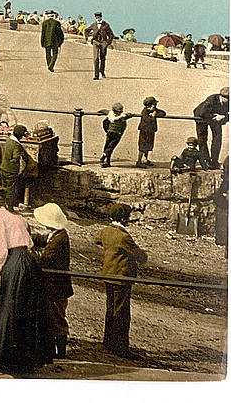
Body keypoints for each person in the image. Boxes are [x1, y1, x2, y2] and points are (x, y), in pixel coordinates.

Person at [0, 181, 54, 373]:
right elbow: (29, 244)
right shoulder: (18, 218)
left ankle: (3, 359)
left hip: (12, 264)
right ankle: (26, 360)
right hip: (28, 263)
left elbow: (0, 252)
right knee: (27, 309)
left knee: (7, 309)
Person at [95, 203, 148, 358]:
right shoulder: (123, 236)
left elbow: (97, 240)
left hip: (108, 275)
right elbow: (141, 257)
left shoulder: (106, 231)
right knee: (122, 313)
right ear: (124, 218)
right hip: (121, 278)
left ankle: (108, 343)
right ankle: (120, 348)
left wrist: (111, 252)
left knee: (110, 309)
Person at [32, 203, 73, 359]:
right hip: (57, 286)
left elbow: (46, 260)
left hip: (56, 287)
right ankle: (54, 348)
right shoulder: (58, 234)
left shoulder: (58, 241)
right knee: (54, 317)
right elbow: (44, 239)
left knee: (56, 318)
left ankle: (60, 351)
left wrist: (33, 256)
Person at [1, 124, 35, 211]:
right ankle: (10, 207)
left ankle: (4, 205)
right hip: (11, 170)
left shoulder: (9, 140)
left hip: (3, 167)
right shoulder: (16, 145)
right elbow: (16, 158)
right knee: (11, 189)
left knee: (5, 187)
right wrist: (21, 169)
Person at [193, 87, 229, 169]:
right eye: (225, 97)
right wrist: (216, 117)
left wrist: (223, 117)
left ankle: (214, 161)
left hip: (216, 118)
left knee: (218, 138)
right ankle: (206, 160)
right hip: (201, 117)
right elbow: (203, 112)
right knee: (202, 139)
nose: (227, 100)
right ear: (221, 96)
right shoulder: (211, 99)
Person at [99, 102, 137, 168]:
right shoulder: (121, 117)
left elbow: (105, 113)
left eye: (120, 112)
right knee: (109, 147)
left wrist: (100, 111)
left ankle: (106, 160)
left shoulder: (111, 115)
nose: (119, 113)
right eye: (118, 112)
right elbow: (127, 116)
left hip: (112, 133)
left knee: (109, 146)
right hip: (115, 134)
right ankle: (104, 157)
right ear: (114, 111)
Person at [135, 96, 167, 167]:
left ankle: (145, 159)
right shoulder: (144, 111)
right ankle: (139, 161)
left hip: (151, 131)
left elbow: (163, 113)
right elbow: (146, 120)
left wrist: (155, 113)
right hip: (144, 131)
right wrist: (152, 117)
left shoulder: (154, 110)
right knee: (142, 146)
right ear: (151, 105)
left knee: (149, 145)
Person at [87, 11, 115, 80]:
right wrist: (87, 38)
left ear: (101, 17)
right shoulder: (93, 25)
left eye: (99, 17)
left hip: (103, 43)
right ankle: (96, 75)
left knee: (102, 58)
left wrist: (108, 42)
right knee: (96, 58)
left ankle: (102, 71)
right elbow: (86, 30)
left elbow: (111, 35)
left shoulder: (106, 25)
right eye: (96, 18)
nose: (98, 19)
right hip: (95, 42)